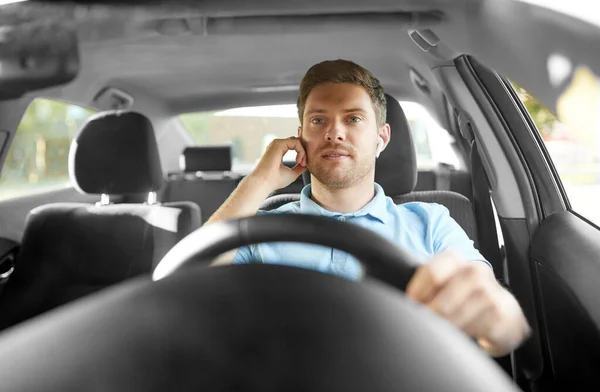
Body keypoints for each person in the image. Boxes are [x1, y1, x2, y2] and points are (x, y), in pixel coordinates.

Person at [206, 59, 531, 357]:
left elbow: (501, 325)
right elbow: (188, 287)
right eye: (318, 120)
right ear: (300, 137)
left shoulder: (431, 223)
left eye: (353, 118)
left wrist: (500, 320)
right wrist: (259, 182)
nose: (334, 133)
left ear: (381, 138)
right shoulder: (257, 230)